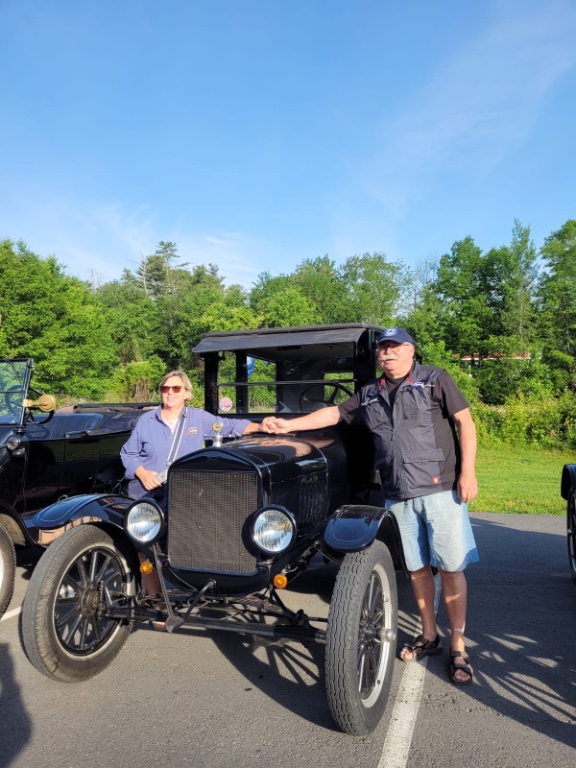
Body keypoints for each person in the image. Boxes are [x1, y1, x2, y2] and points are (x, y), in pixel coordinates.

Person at [267, 328, 479, 685]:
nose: (387, 353)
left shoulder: (434, 379)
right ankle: (429, 635)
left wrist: (467, 473)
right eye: (383, 349)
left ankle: (458, 643)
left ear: (410, 350)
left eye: (394, 347)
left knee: (451, 567)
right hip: (398, 493)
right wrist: (288, 426)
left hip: (440, 488)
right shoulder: (370, 392)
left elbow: (465, 423)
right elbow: (332, 415)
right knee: (416, 569)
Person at [121, 370, 271, 500]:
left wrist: (259, 426)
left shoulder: (198, 418)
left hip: (184, 493)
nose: (170, 392)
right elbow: (128, 454)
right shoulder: (146, 421)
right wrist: (143, 474)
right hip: (148, 495)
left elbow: (229, 426)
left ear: (187, 393)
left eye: (176, 388)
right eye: (165, 388)